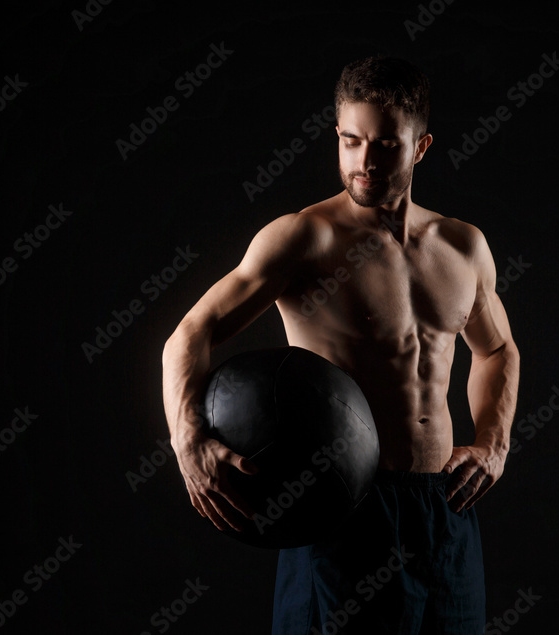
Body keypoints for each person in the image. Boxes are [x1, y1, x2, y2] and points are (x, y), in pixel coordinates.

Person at [161, 55, 520, 633]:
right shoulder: (305, 238)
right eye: (351, 141)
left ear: (421, 147)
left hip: (444, 508)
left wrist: (493, 446)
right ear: (337, 134)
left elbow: (498, 350)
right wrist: (188, 441)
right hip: (343, 509)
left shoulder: (462, 247)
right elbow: (189, 333)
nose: (365, 162)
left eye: (386, 145)